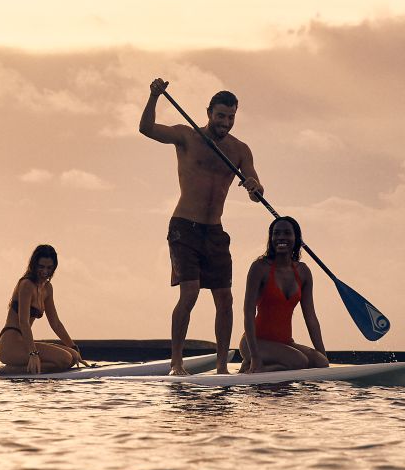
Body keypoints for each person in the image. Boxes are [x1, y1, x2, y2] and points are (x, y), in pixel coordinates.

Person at [139, 79, 264, 376]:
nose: (225, 122)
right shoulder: (187, 137)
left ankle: (222, 366)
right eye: (220, 115)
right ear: (209, 112)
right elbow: (147, 129)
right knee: (190, 293)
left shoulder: (240, 150)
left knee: (225, 298)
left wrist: (254, 187)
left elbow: (255, 186)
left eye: (231, 117)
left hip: (215, 231)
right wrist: (154, 96)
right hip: (185, 226)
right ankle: (176, 363)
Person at [240, 215, 328, 372]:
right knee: (299, 361)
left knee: (320, 362)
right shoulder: (260, 268)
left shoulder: (303, 272)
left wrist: (324, 358)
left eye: (287, 233)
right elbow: (248, 313)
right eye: (276, 233)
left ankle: (269, 365)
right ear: (271, 238)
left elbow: (311, 317)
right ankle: (253, 366)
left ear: (296, 239)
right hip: (254, 342)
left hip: (285, 343)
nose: (281, 237)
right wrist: (255, 356)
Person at [0, 245, 83, 373]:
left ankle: (24, 368)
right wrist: (33, 353)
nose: (45, 271)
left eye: (49, 268)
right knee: (64, 359)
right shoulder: (26, 285)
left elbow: (56, 323)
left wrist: (73, 347)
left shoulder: (47, 288)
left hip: (24, 343)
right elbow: (23, 322)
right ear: (34, 265)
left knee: (73, 357)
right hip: (10, 345)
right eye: (41, 267)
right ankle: (11, 370)